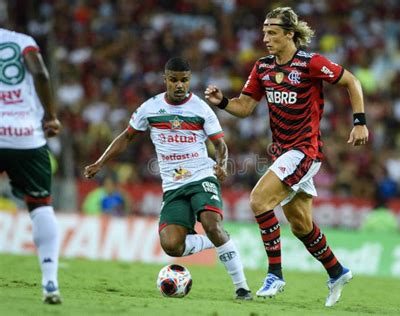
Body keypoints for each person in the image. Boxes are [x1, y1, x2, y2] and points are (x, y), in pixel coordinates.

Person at [205, 7, 369, 307]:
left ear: (289, 34)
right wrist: (223, 102)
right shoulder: (263, 67)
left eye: (273, 33)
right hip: (283, 152)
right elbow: (244, 107)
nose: (266, 38)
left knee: (257, 201)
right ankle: (337, 271)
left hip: (305, 150)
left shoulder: (311, 63)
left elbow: (352, 82)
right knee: (301, 224)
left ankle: (275, 274)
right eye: (264, 32)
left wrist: (359, 121)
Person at [84, 57, 252, 300]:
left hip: (201, 176)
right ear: (165, 80)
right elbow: (126, 137)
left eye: (184, 80)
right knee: (172, 245)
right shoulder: (149, 108)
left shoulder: (201, 108)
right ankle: (219, 241)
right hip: (173, 185)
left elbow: (220, 144)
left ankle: (242, 287)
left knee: (211, 223)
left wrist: (221, 165)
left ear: (189, 80)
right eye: (173, 80)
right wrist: (100, 162)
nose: (179, 85)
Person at [0, 28, 62, 304]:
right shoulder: (23, 42)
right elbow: (40, 73)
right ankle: (50, 280)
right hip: (25, 134)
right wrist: (50, 116)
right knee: (40, 206)